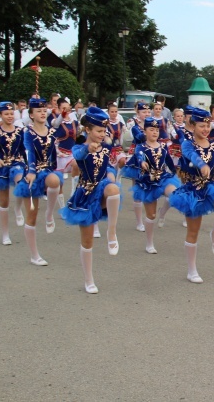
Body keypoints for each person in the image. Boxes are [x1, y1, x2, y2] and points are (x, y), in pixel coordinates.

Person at [59, 107, 121, 294]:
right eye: (99, 131)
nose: (103, 135)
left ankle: (111, 233)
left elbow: (109, 165)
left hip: (101, 190)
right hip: (85, 194)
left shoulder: (107, 146)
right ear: (88, 130)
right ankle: (89, 280)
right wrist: (88, 148)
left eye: (104, 131)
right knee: (87, 242)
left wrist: (113, 170)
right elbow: (77, 156)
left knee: (113, 188)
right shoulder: (79, 147)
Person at [169, 107, 214, 283]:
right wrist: (201, 165)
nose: (205, 129)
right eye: (201, 126)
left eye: (207, 125)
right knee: (193, 231)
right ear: (193, 126)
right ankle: (192, 270)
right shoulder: (187, 143)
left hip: (210, 186)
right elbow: (191, 156)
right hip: (192, 190)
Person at [14, 98, 63, 266]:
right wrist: (31, 171)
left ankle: (49, 214)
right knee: (32, 215)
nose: (42, 113)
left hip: (46, 170)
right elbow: (28, 152)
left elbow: (53, 153)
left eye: (44, 111)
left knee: (55, 180)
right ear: (31, 115)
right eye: (38, 111)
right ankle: (34, 255)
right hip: (29, 171)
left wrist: (54, 166)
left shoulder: (50, 131)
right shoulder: (27, 132)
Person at [122, 117, 180, 254]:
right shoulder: (141, 147)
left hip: (163, 179)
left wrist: (176, 170)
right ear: (145, 131)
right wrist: (142, 162)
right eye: (151, 130)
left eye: (157, 130)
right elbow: (139, 155)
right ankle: (149, 243)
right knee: (151, 215)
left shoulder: (163, 146)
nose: (154, 132)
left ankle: (163, 213)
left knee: (175, 193)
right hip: (148, 182)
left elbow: (170, 163)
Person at [0, 102, 26, 243]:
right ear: (0, 115)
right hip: (2, 165)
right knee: (3, 201)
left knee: (21, 184)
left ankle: (18, 209)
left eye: (11, 114)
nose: (9, 116)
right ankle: (5, 234)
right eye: (6, 114)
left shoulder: (20, 131)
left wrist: (29, 163)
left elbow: (23, 149)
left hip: (17, 163)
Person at [125, 102, 150, 231]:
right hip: (137, 156)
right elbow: (139, 136)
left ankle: (150, 217)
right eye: (144, 112)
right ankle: (139, 221)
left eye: (148, 112)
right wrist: (151, 131)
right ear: (138, 113)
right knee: (137, 187)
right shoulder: (135, 126)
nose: (146, 114)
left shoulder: (152, 124)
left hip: (150, 154)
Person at [51, 97, 80, 206]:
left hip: (70, 153)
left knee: (77, 165)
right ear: (58, 109)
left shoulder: (74, 122)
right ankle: (62, 206)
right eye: (63, 108)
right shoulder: (55, 121)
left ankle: (73, 194)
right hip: (58, 153)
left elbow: (77, 135)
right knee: (59, 183)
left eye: (67, 108)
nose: (66, 110)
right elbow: (56, 123)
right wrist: (62, 114)